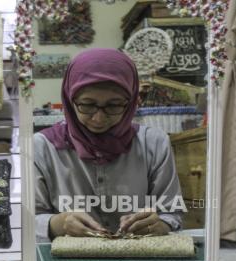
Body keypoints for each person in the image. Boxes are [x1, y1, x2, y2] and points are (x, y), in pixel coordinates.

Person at [34, 48, 184, 242]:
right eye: (87, 105)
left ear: (130, 103)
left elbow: (173, 213)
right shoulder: (43, 147)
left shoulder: (154, 144)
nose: (99, 118)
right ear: (71, 101)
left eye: (113, 105)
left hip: (139, 260)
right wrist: (58, 224)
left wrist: (160, 224)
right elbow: (30, 219)